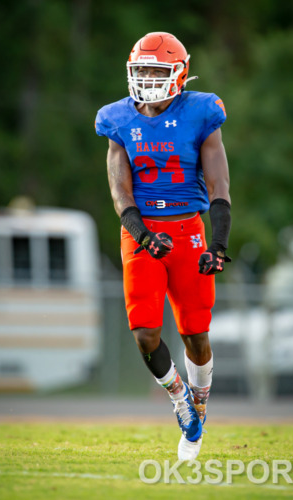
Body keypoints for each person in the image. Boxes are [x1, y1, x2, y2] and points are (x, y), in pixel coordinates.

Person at [95, 32, 231, 460]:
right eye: (142, 70)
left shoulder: (201, 111)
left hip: (188, 229)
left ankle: (201, 402)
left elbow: (219, 184)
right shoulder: (117, 119)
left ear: (180, 73)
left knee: (196, 334)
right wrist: (141, 234)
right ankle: (181, 404)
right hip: (142, 233)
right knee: (144, 333)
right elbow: (120, 191)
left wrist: (220, 242)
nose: (149, 78)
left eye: (158, 70)